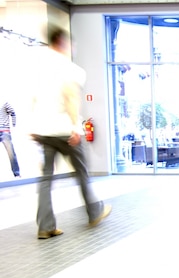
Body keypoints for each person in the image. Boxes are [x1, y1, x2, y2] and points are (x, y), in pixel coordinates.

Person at [29, 27, 112, 239]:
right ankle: (94, 212)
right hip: (65, 131)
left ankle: (45, 227)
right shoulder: (70, 68)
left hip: (44, 131)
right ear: (64, 43)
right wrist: (76, 128)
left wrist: (34, 127)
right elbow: (71, 98)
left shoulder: (38, 68)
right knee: (82, 172)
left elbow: (34, 100)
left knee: (46, 179)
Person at [0, 100, 21, 178]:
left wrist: (14, 124)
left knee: (11, 153)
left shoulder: (4, 103)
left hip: (5, 131)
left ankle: (17, 173)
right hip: (4, 131)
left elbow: (13, 113)